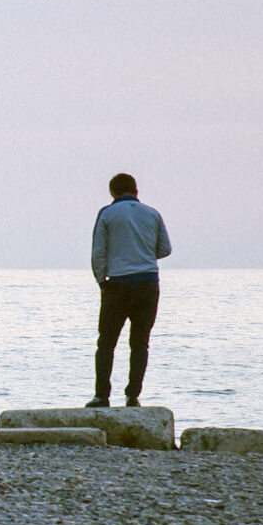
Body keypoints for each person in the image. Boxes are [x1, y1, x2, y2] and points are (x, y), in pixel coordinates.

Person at [88, 173, 171, 408]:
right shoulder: (153, 214)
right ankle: (133, 396)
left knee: (106, 342)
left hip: (118, 284)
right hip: (148, 283)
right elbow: (165, 249)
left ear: (112, 192)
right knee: (140, 342)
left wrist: (101, 282)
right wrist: (142, 252)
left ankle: (101, 395)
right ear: (136, 190)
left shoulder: (107, 214)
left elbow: (98, 253)